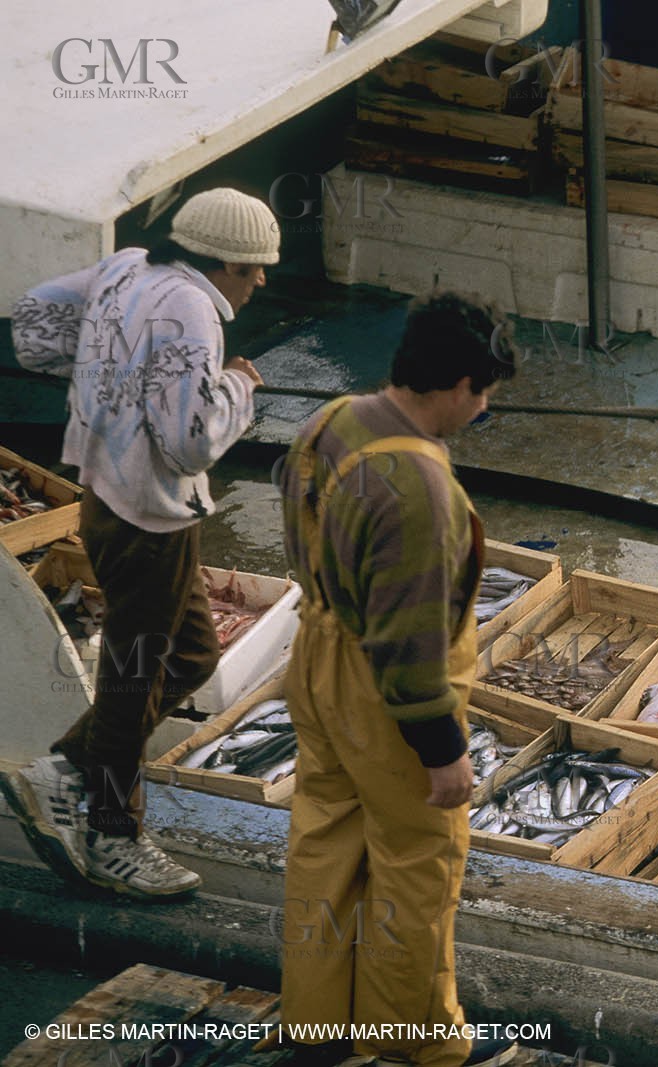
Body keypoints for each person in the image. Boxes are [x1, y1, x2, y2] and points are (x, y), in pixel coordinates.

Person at [2, 188, 275, 898]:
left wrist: (104, 373)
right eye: (252, 269)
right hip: (148, 516)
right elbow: (189, 444)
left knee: (190, 655)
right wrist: (239, 389)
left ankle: (62, 768)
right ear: (220, 263)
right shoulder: (192, 310)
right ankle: (113, 835)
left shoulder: (125, 267)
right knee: (134, 674)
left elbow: (30, 325)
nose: (260, 281)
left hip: (104, 499)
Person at [276, 292, 518, 1067]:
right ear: (457, 386)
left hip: (314, 656)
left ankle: (316, 1029)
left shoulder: (336, 418)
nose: (481, 411)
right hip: (380, 692)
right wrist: (442, 748)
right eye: (483, 396)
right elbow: (409, 640)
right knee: (417, 864)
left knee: (326, 842)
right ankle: (416, 1041)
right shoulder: (421, 489)